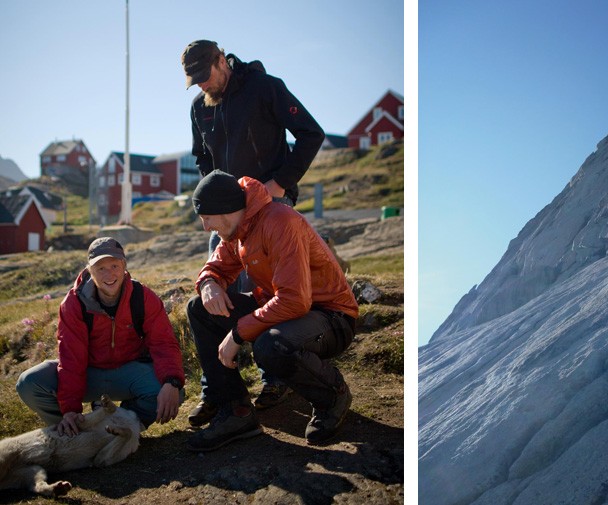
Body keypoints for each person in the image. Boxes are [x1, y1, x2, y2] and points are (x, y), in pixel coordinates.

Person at [182, 39, 326, 415]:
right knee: (212, 293)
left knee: (265, 287)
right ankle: (219, 387)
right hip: (225, 215)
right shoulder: (200, 107)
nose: (202, 85)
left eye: (205, 75)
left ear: (221, 60)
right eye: (194, 80)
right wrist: (212, 197)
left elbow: (311, 134)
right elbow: (201, 156)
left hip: (269, 204)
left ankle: (276, 377)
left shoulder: (266, 88)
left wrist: (281, 182)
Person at [185, 172, 358, 451]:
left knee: (271, 345)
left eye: (207, 218)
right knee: (199, 310)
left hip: (331, 316)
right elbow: (216, 267)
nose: (206, 227)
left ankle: (332, 395)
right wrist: (208, 284)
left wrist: (237, 334)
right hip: (287, 309)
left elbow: (295, 301)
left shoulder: (280, 221)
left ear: (227, 209)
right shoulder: (239, 228)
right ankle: (237, 412)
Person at [16, 237, 185, 434]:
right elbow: (71, 358)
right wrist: (69, 409)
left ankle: (122, 427)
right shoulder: (73, 303)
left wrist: (172, 381)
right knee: (29, 383)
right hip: (89, 374)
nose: (109, 274)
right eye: (101, 268)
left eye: (114, 265)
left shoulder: (143, 297)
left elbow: (163, 343)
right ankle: (70, 432)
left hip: (128, 373)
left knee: (174, 392)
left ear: (124, 266)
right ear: (89, 271)